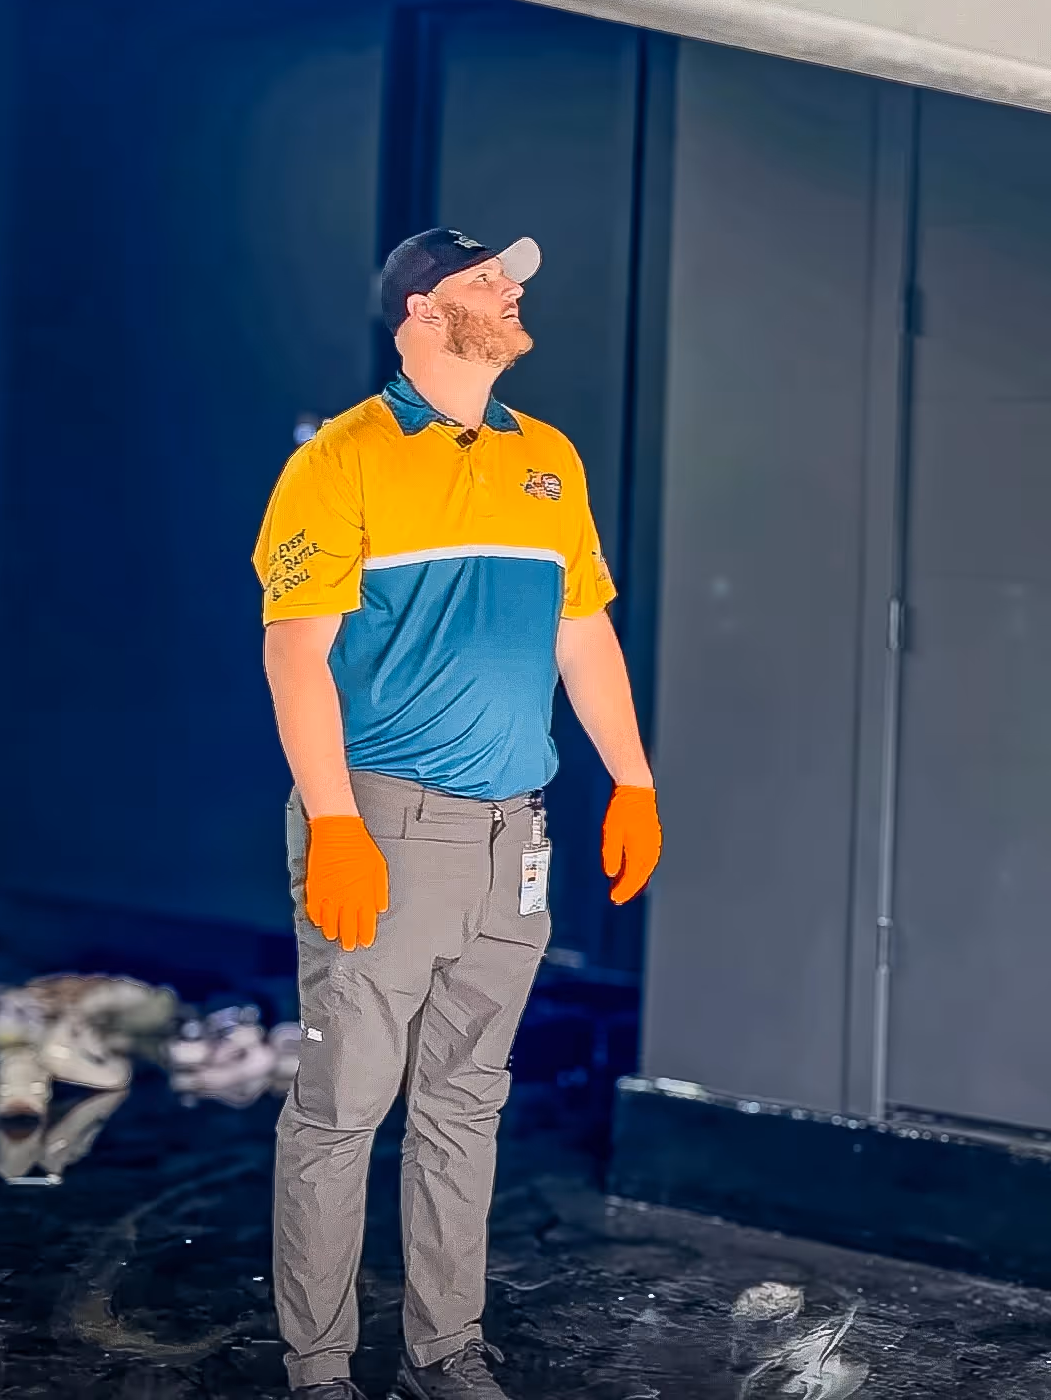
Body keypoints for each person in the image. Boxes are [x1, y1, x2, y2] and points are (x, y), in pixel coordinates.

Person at [254, 226, 662, 1400]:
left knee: (466, 1104)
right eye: (488, 279)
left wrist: (631, 778)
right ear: (423, 312)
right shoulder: (341, 461)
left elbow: (581, 633)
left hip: (510, 836)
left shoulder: (551, 460)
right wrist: (334, 822)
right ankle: (321, 1373)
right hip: (385, 828)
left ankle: (445, 1355)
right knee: (341, 1112)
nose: (513, 291)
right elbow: (296, 659)